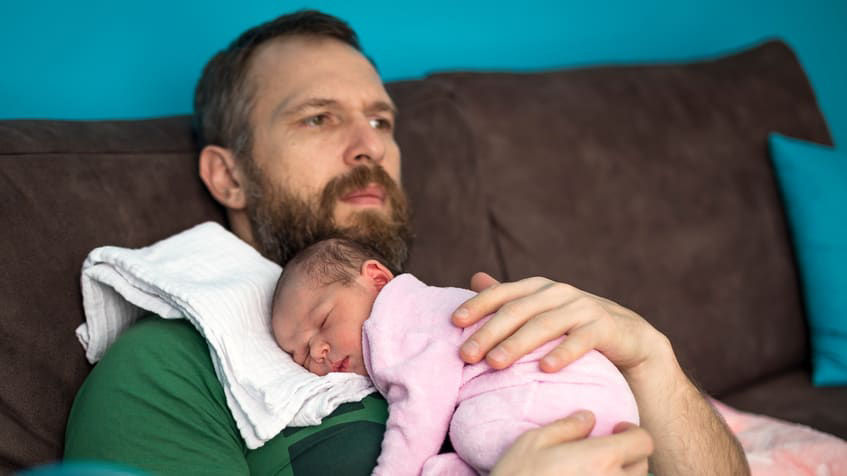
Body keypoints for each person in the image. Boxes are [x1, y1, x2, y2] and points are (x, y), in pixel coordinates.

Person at [63, 9, 748, 476]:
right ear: (228, 175)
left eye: (381, 120)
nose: (370, 147)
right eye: (317, 118)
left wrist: (652, 363)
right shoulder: (167, 372)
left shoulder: (461, 319)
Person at [271, 237, 640, 475]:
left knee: (472, 429)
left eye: (323, 320)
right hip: (597, 404)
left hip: (559, 394)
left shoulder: (394, 321)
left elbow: (419, 411)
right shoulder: (427, 307)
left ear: (378, 280)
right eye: (298, 353)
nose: (317, 351)